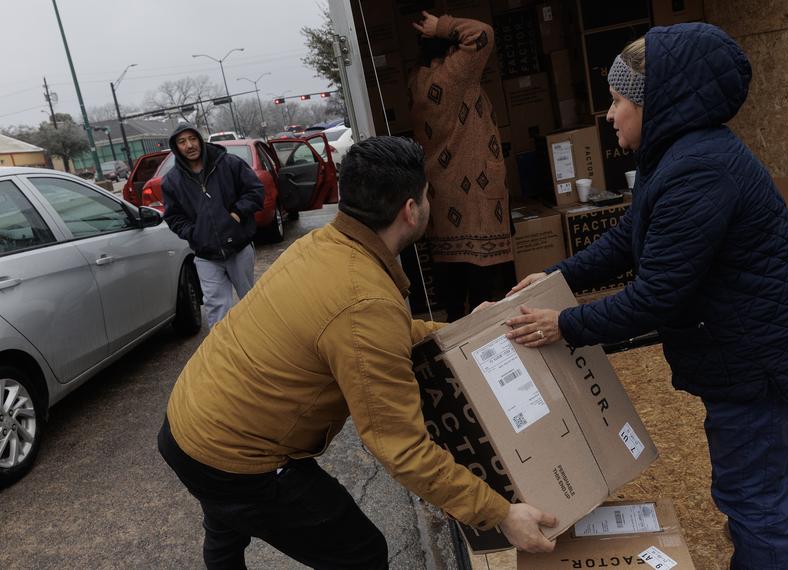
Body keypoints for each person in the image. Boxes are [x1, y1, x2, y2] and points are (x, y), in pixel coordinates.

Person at [503, 23, 788, 570]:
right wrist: (556, 275)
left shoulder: (698, 170)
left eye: (618, 100)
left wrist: (563, 324)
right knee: (767, 469)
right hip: (758, 343)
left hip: (760, 357)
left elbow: (655, 296)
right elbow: (626, 240)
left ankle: (777, 550)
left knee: (750, 494)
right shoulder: (676, 155)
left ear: (658, 103)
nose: (609, 115)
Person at [158, 137, 557, 569]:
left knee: (225, 520)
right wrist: (500, 513)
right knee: (359, 553)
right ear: (410, 209)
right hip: (235, 457)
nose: (429, 203)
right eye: (427, 195)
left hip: (191, 422)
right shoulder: (364, 300)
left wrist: (466, 330)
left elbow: (376, 333)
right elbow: (401, 448)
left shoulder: (323, 245)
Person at [408, 10, 514, 321]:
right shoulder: (456, 73)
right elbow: (482, 33)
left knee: (452, 284)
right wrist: (442, 26)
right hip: (473, 196)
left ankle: (457, 335)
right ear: (450, 47)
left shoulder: (417, 81)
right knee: (480, 288)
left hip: (442, 195)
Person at [161, 123, 264, 328]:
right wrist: (194, 233)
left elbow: (255, 192)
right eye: (182, 142)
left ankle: (260, 346)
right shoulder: (171, 181)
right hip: (206, 255)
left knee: (252, 301)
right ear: (176, 147)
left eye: (192, 139)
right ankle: (223, 354)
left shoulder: (229, 164)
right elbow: (173, 217)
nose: (189, 145)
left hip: (239, 248)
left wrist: (236, 214)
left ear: (200, 140)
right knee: (216, 307)